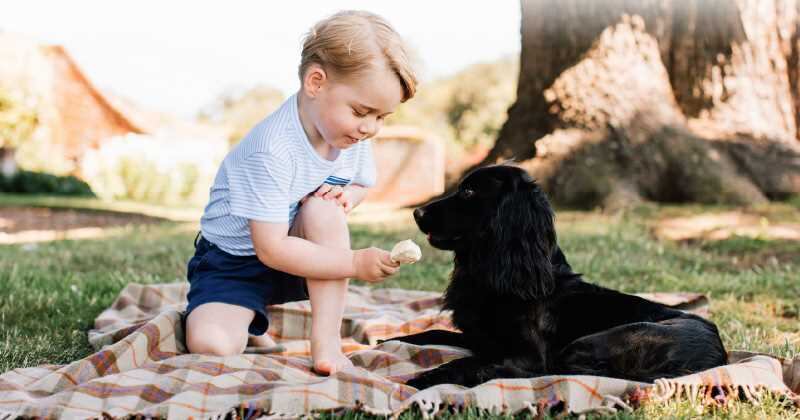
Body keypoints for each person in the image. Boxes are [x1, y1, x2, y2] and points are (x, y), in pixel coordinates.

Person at [183, 10, 417, 375]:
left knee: (324, 211)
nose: (370, 128)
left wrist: (346, 198)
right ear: (316, 82)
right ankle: (243, 317)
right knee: (213, 345)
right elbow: (270, 248)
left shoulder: (349, 135)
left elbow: (359, 184)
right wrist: (355, 263)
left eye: (381, 117)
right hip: (235, 262)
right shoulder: (271, 149)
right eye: (362, 111)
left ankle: (326, 343)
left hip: (298, 252)